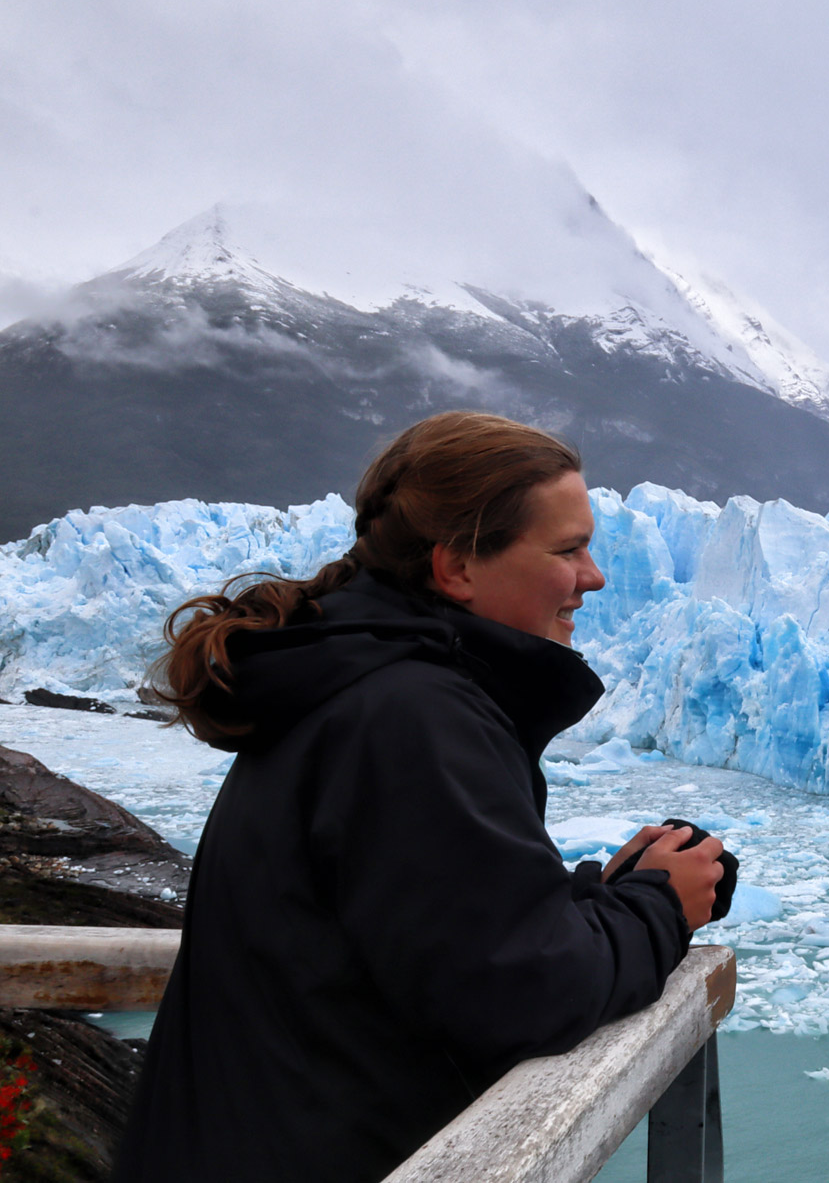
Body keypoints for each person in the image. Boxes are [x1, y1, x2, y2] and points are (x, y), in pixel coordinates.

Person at [113, 412, 728, 1183]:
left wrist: (594, 899)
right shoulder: (411, 714)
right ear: (457, 567)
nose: (595, 574)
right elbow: (524, 992)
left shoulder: (360, 681)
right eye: (568, 548)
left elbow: (421, 931)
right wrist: (659, 908)